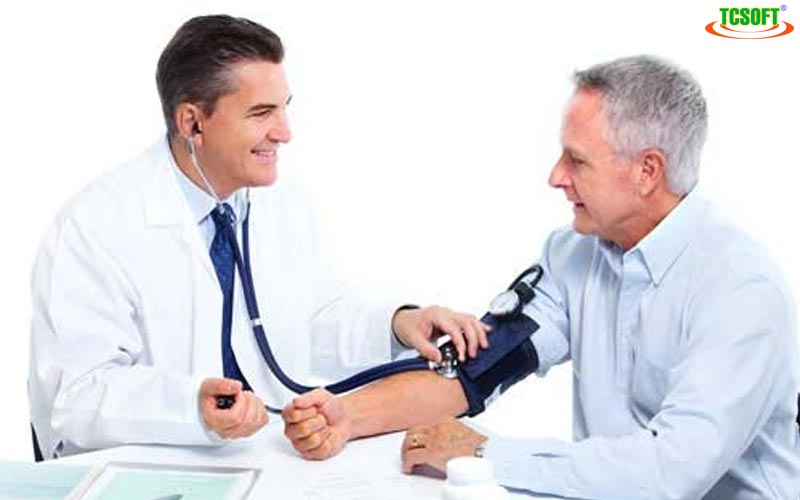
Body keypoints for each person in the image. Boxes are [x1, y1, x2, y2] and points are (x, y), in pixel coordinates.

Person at [282, 55, 800, 499]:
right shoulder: (574, 253)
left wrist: (485, 454)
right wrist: (345, 417)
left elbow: (672, 473)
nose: (556, 177)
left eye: (577, 160)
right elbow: (477, 370)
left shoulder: (739, 291)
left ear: (648, 170)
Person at [28, 14, 490, 459]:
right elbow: (77, 396)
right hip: (145, 467)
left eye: (285, 108)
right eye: (261, 113)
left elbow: (310, 317)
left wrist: (398, 322)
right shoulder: (95, 226)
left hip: (263, 453)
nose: (284, 133)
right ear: (192, 123)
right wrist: (191, 406)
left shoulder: (280, 200)